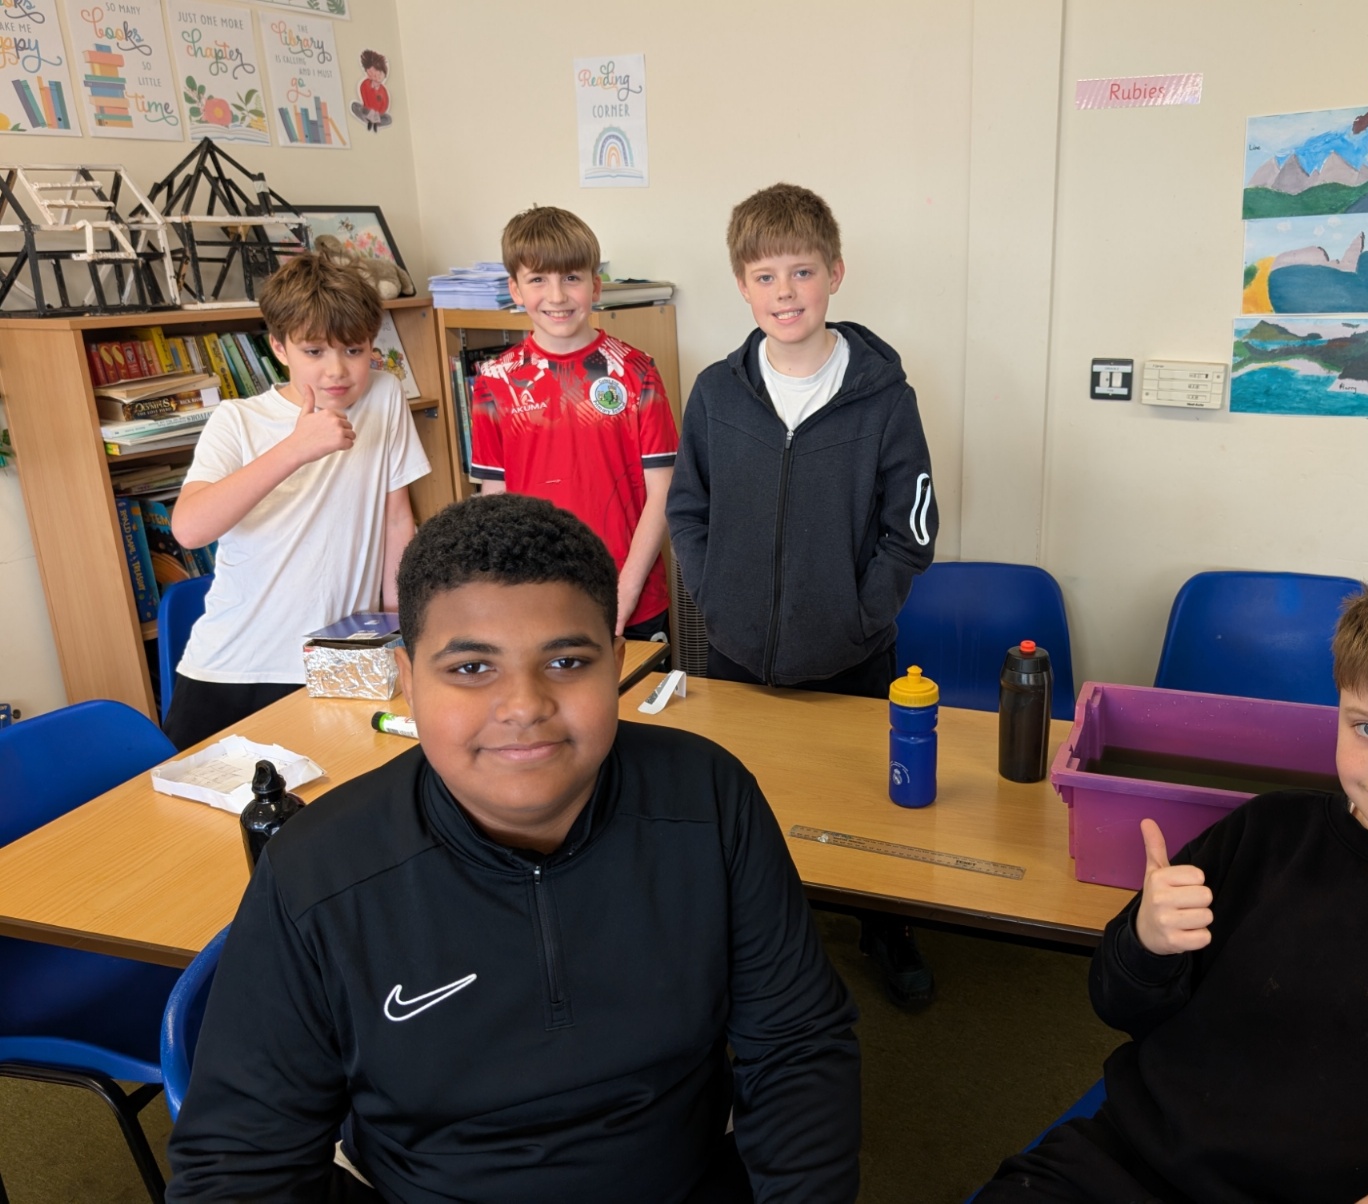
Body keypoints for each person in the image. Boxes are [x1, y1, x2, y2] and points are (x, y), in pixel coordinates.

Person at [165, 493, 861, 1204]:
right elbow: (237, 1167)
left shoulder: (709, 798)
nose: (525, 705)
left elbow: (798, 1048)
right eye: (472, 668)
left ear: (617, 665)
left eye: (567, 661)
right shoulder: (317, 869)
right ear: (407, 681)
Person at [977, 568, 1368, 1203]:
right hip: (1129, 1164)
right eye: (1367, 728)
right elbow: (1119, 1004)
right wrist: (1146, 943)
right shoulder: (1266, 831)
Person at [666, 182, 939, 1009]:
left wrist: (860, 615)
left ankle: (884, 926)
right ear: (742, 287)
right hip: (738, 651)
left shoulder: (885, 398)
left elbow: (912, 528)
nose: (784, 293)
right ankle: (751, 941)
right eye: (765, 277)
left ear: (835, 273)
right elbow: (688, 509)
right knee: (746, 811)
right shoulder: (717, 393)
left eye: (802, 272)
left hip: (852, 654)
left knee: (870, 815)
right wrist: (716, 598)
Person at [164, 248, 429, 751]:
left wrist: (399, 630)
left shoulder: (383, 395)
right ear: (279, 347)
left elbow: (397, 520)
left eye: (353, 350)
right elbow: (190, 529)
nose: (337, 371)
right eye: (314, 352)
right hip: (235, 668)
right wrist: (295, 448)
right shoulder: (238, 421)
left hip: (341, 660)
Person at [470, 205, 677, 640]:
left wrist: (626, 589)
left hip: (632, 599)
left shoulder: (637, 372)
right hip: (534, 600)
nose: (557, 296)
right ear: (515, 289)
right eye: (537, 280)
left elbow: (664, 490)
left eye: (571, 278)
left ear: (595, 285)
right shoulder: (494, 382)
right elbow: (494, 500)